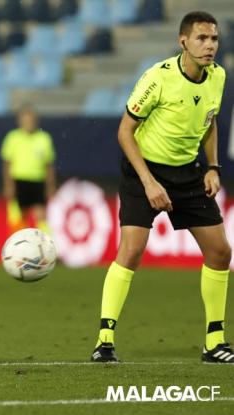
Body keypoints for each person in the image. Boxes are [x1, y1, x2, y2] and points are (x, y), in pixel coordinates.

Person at [91, 11, 232, 363]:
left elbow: (210, 121)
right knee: (133, 249)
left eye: (213, 39)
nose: (209, 45)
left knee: (220, 252)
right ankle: (104, 340)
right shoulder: (158, 77)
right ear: (182, 41)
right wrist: (149, 182)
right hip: (145, 170)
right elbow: (125, 131)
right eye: (202, 38)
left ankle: (215, 343)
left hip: (188, 173)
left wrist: (212, 166)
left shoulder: (218, 76)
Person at [0, 105, 56, 233]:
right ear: (20, 121)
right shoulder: (13, 138)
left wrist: (50, 186)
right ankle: (18, 248)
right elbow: (7, 164)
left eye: (31, 119)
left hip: (37, 180)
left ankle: (46, 247)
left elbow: (49, 166)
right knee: (18, 217)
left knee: (41, 216)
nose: (28, 123)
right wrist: (8, 185)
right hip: (18, 180)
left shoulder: (44, 139)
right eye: (26, 119)